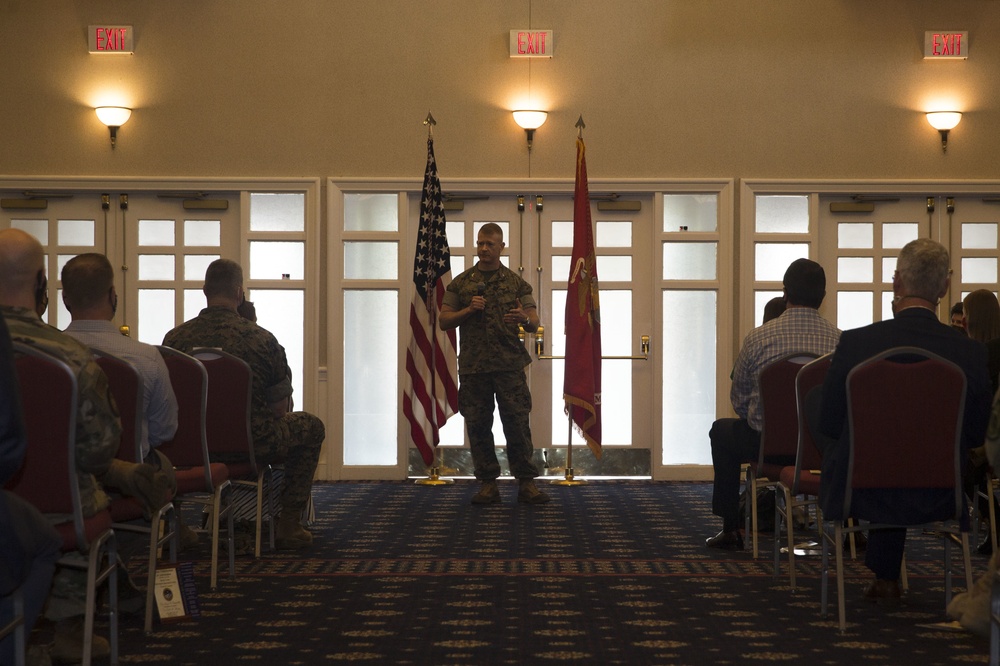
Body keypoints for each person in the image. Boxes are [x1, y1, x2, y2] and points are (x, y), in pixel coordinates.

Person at [0, 228, 171, 663]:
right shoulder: (72, 359)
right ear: (41, 283)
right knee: (93, 489)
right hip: (63, 509)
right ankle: (71, 625)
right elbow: (97, 453)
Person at [817, 238, 992, 602]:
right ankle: (886, 574)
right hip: (941, 491)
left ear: (896, 282)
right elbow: (976, 433)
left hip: (862, 489)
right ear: (944, 288)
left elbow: (829, 421)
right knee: (907, 443)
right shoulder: (970, 353)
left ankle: (884, 575)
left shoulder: (856, 344)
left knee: (870, 442)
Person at [162, 258, 325, 550]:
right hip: (254, 445)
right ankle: (288, 522)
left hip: (190, 448)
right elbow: (279, 409)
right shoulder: (262, 340)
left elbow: (165, 404)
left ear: (204, 290)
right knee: (312, 427)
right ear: (239, 293)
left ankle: (176, 523)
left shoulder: (174, 340)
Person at [60, 252, 200, 549]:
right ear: (113, 296)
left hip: (61, 484)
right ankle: (165, 534)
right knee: (161, 465)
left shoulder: (46, 358)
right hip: (128, 483)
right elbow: (165, 431)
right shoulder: (146, 357)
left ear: (65, 300)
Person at [706, 258, 840, 550]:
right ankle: (853, 531)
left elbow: (739, 400)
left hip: (765, 445)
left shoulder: (758, 338)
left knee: (721, 431)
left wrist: (763, 423)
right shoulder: (840, 342)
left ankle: (730, 528)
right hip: (819, 450)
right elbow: (844, 407)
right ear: (823, 297)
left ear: (784, 293)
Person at [440, 222, 548, 505]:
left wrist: (523, 319)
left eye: (490, 244)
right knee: (477, 425)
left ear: (502, 247)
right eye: (480, 244)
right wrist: (468, 310)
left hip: (509, 366)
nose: (484, 249)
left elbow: (534, 322)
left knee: (516, 424)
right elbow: (443, 320)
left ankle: (526, 483)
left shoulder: (516, 283)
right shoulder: (461, 284)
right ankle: (488, 483)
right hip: (474, 368)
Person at [0, 314, 62, 666]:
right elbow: (7, 443)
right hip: (73, 499)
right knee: (42, 541)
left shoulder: (175, 340)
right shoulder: (71, 356)